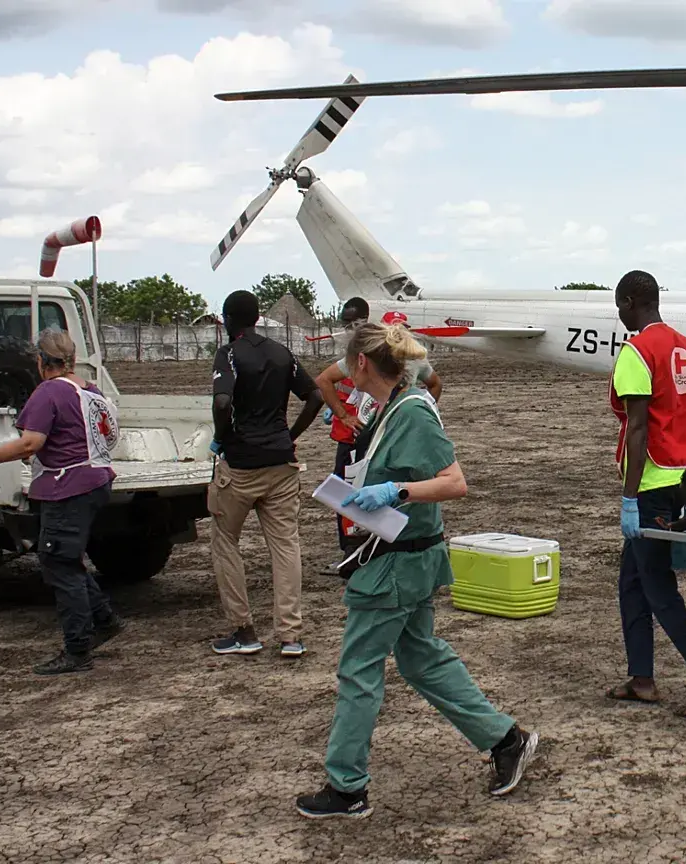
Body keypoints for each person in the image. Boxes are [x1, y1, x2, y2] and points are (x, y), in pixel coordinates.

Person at [295, 322, 537, 819]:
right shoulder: (396, 407)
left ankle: (347, 787)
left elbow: (454, 483)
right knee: (421, 658)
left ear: (362, 365)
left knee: (359, 670)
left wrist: (394, 492)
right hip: (405, 557)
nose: (340, 376)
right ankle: (505, 739)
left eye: (346, 366)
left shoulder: (411, 414)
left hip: (396, 566)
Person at [607, 269, 686, 719]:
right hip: (681, 480)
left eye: (618, 306)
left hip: (649, 485)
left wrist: (628, 497)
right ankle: (642, 677)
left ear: (628, 302)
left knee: (661, 592)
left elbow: (638, 427)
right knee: (631, 583)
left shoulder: (636, 352)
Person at [0, 329, 125, 675]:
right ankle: (103, 620)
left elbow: (30, 443)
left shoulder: (49, 393)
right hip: (95, 479)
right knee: (65, 558)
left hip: (66, 486)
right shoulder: (90, 390)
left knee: (58, 562)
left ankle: (77, 648)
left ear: (41, 362)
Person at [207, 290, 325, 658]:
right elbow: (315, 397)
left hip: (240, 466)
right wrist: (289, 436)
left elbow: (223, 400)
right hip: (281, 464)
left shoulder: (228, 354)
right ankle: (290, 635)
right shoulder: (281, 353)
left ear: (228, 319)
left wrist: (221, 437)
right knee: (286, 545)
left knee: (226, 542)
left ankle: (244, 631)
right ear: (257, 318)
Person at [313, 297, 442, 574]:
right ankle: (356, 549)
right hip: (356, 435)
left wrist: (423, 409)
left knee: (369, 492)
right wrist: (341, 413)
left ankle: (369, 549)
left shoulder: (410, 406)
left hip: (372, 436)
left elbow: (451, 483)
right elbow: (324, 380)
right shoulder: (370, 362)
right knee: (353, 492)